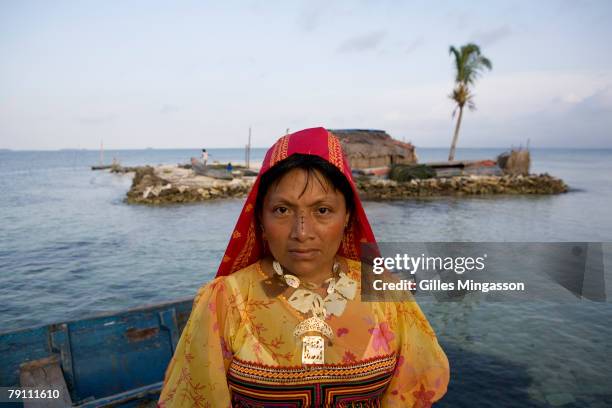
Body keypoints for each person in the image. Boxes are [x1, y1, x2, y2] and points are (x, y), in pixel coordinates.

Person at [159, 127, 449, 407]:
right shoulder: (227, 301)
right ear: (260, 217)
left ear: (348, 215)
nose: (302, 232)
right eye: (282, 210)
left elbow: (411, 392)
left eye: (322, 210)